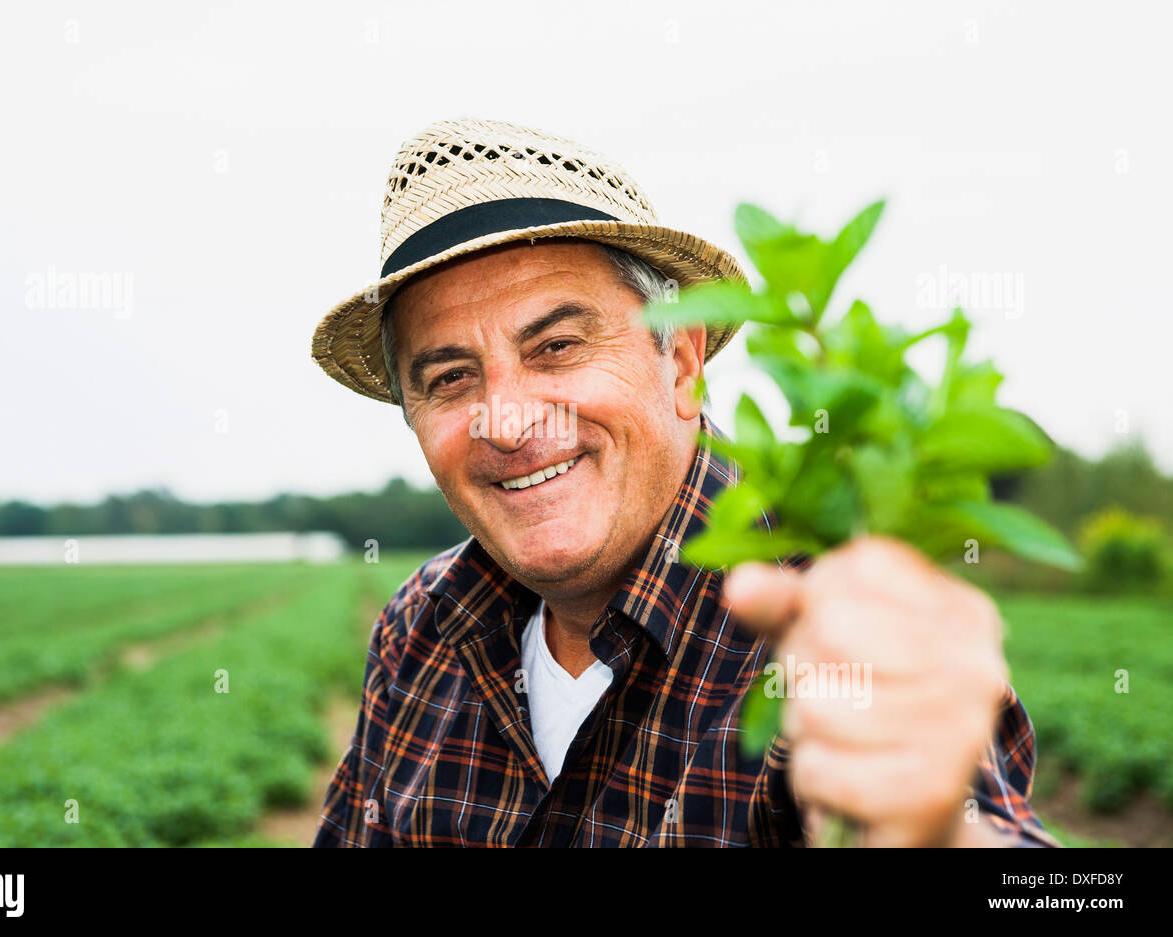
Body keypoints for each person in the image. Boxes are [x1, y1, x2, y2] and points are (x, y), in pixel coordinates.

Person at [310, 117, 1056, 847]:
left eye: (558, 346)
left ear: (682, 365)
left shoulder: (820, 623)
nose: (505, 423)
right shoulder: (420, 627)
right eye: (449, 377)